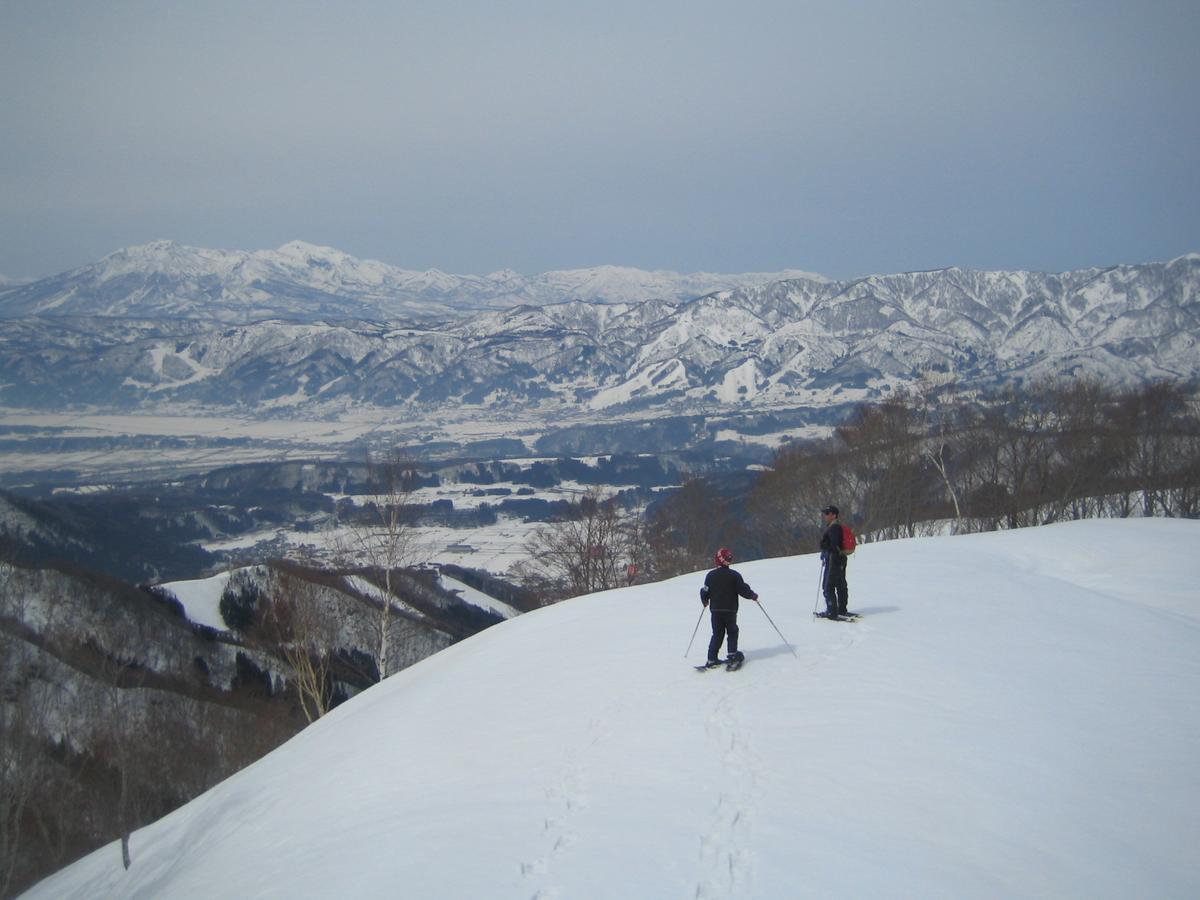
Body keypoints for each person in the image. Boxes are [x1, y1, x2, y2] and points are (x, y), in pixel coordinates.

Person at [699, 547, 759, 667]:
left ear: (718, 560)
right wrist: (752, 595)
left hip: (715, 610)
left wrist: (705, 601)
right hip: (730, 610)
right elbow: (743, 589)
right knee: (732, 631)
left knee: (717, 633)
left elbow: (705, 590)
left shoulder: (710, 575)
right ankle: (732, 655)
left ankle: (712, 659)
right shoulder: (734, 575)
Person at [819, 505, 849, 617]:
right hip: (840, 559)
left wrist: (824, 546)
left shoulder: (833, 528)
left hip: (834, 559)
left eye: (827, 513)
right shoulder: (837, 526)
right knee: (840, 584)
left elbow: (834, 545)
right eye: (825, 513)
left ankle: (832, 611)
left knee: (828, 586)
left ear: (834, 515)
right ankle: (841, 609)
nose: (825, 516)